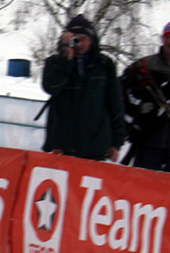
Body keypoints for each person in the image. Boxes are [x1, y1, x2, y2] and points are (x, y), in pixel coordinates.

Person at [41, 15, 125, 162]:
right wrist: (66, 59)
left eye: (84, 38)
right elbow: (51, 87)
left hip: (95, 147)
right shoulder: (55, 63)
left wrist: (116, 143)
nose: (79, 44)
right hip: (61, 144)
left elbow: (115, 104)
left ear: (92, 40)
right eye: (75, 39)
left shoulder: (104, 65)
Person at [120, 21, 170, 171]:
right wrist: (137, 109)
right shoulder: (145, 64)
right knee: (142, 182)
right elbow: (120, 92)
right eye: (168, 37)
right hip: (148, 141)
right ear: (162, 39)